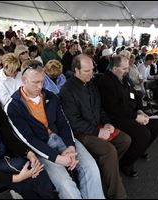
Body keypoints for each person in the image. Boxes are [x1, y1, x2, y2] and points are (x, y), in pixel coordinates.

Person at [4, 61, 105, 199]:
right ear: (23, 80)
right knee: (65, 184)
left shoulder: (50, 96)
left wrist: (70, 146)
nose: (40, 86)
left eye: (42, 81)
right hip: (42, 148)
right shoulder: (13, 106)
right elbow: (29, 140)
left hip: (61, 138)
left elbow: (63, 123)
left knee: (91, 167)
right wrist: (57, 158)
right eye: (35, 82)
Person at [59, 54, 131, 199]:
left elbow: (100, 109)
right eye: (87, 71)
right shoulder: (67, 90)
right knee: (109, 150)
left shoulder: (91, 85)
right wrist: (97, 132)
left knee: (125, 140)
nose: (91, 74)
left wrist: (107, 123)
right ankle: (118, 194)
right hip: (80, 133)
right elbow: (73, 121)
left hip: (97, 126)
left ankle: (108, 171)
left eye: (92, 70)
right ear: (76, 70)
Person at [97, 55, 158, 177]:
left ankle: (139, 150)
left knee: (157, 124)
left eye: (127, 68)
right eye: (124, 68)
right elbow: (114, 108)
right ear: (114, 68)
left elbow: (135, 95)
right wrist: (135, 117)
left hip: (131, 113)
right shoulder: (106, 82)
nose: (127, 71)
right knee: (143, 134)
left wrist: (140, 111)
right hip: (116, 117)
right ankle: (125, 163)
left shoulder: (124, 78)